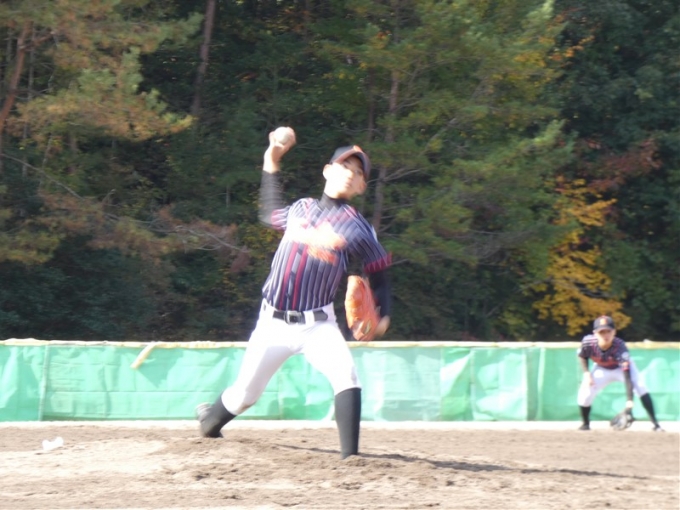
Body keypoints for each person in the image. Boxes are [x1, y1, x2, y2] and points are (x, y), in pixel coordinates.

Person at [195, 127, 392, 458]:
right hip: (272, 323)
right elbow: (268, 213)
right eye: (344, 166)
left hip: (318, 325)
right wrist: (271, 159)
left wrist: (384, 313)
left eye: (358, 173)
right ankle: (208, 421)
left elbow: (380, 272)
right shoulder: (301, 208)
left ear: (361, 186)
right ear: (327, 171)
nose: (350, 173)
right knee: (244, 396)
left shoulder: (358, 227)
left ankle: (352, 460)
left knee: (346, 375)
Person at [576, 315, 663, 431]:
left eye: (608, 331)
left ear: (614, 332)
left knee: (641, 387)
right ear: (595, 333)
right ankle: (585, 424)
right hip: (601, 368)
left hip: (620, 369)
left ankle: (656, 425)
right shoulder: (588, 342)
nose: (606, 335)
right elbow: (582, 356)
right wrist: (586, 374)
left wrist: (629, 403)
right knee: (585, 393)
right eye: (602, 332)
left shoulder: (620, 347)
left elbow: (627, 377)